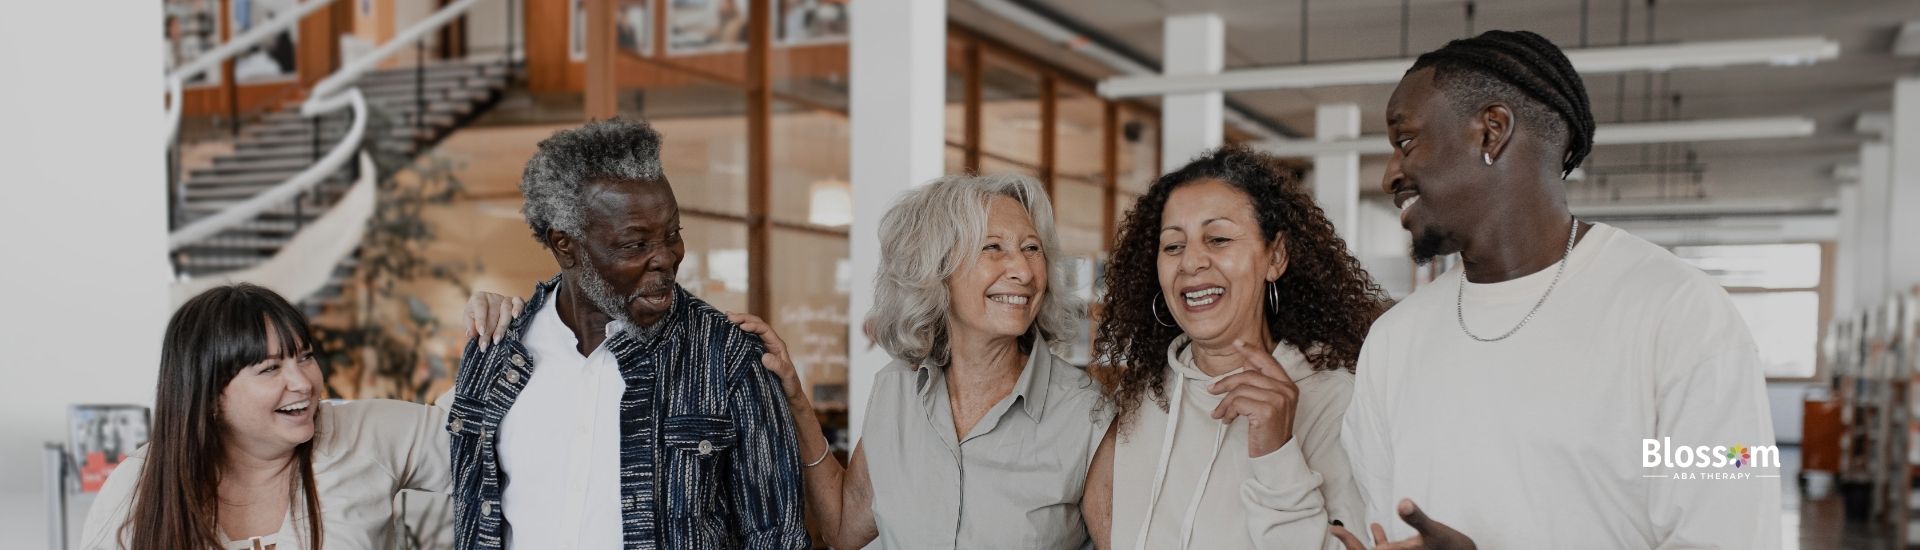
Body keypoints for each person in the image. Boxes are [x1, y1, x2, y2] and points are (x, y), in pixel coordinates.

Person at [468, 173, 1111, 549]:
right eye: (993, 248)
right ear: (936, 272)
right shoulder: (896, 392)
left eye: (1031, 249)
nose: (1021, 269)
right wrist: (798, 402)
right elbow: (841, 526)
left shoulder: (1087, 415)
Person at [1334, 30, 1780, 549]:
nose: (1391, 174)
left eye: (1406, 141)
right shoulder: (1393, 341)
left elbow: (1732, 535)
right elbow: (1383, 525)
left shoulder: (1681, 314)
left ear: (1491, 131)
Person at [442, 118, 808, 550]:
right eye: (635, 244)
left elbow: (776, 535)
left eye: (672, 234)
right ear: (566, 245)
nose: (666, 259)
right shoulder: (496, 350)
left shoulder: (727, 355)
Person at [1086, 147, 1389, 550]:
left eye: (1218, 239)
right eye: (1173, 246)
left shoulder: (1335, 399)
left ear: (1275, 256)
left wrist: (1277, 455)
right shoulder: (1142, 396)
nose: (1192, 262)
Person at [80, 284, 449, 550]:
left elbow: (483, 436)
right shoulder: (138, 486)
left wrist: (502, 329)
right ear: (209, 395)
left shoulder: (366, 435)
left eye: (304, 357)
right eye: (270, 369)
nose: (302, 382)